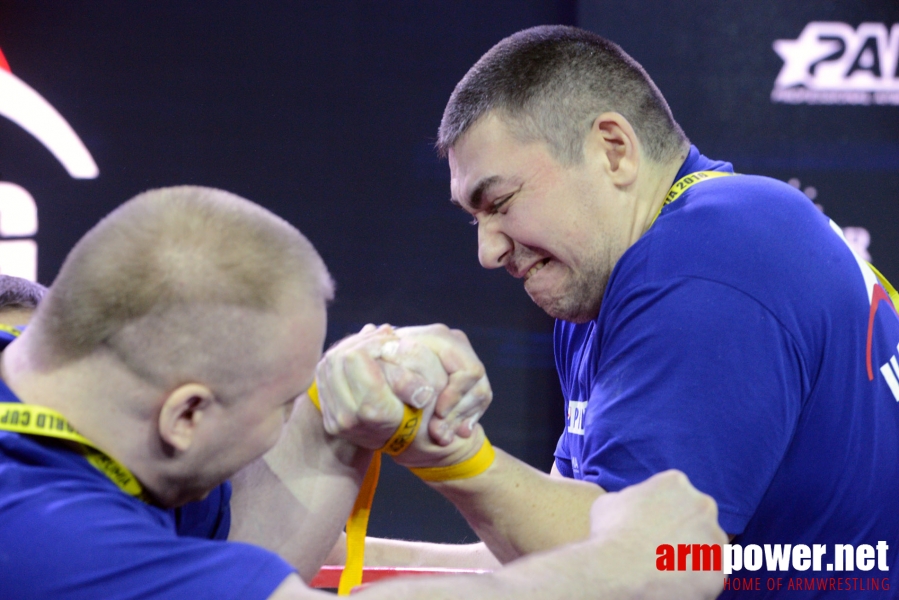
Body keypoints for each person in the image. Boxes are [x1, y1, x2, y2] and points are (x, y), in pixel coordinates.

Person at [317, 25, 899, 596]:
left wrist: (444, 449)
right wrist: (308, 560)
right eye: (476, 218)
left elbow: (645, 572)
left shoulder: (706, 257)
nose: (487, 250)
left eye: (500, 203)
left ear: (613, 150)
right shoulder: (615, 274)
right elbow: (558, 552)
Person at [0, 185, 725, 599]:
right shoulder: (46, 533)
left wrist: (342, 401)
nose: (286, 418)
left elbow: (249, 549)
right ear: (186, 412)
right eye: (280, 403)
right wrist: (625, 567)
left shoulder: (66, 401)